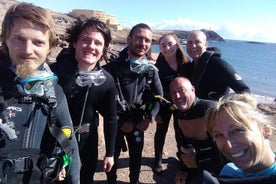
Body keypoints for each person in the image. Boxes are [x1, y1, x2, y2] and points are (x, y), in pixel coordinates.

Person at [0, 2, 80, 184]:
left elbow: (70, 146)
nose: (28, 50)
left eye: (38, 42)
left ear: (49, 47)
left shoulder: (53, 91)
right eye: (19, 39)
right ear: (5, 40)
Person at [50, 18, 118, 183]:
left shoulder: (106, 81)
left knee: (85, 178)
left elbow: (111, 118)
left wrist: (110, 153)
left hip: (87, 142)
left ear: (103, 49)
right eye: (85, 40)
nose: (91, 46)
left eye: (98, 43)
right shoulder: (54, 73)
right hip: (54, 140)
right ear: (74, 43)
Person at [103, 23, 163, 184]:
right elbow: (102, 101)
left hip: (138, 123)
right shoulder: (112, 67)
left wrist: (149, 118)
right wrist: (118, 121)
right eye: (139, 38)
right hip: (115, 122)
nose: (143, 43)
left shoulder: (150, 70)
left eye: (147, 40)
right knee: (112, 156)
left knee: (136, 158)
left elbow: (159, 96)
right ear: (129, 39)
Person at [203, 93, 276, 183]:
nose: (229, 145)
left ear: (265, 130)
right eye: (218, 135)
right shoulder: (229, 172)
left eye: (237, 130)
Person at [169, 77, 228, 183]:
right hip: (199, 164)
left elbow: (229, 154)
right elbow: (182, 145)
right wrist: (183, 169)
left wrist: (198, 161)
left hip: (224, 168)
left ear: (192, 90)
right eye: (173, 93)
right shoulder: (179, 114)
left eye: (181, 90)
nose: (177, 96)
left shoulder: (211, 111)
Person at [153, 33, 190, 174]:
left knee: (180, 133)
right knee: (161, 132)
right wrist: (154, 112)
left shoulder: (186, 65)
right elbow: (152, 91)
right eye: (163, 45)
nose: (167, 48)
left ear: (177, 45)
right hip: (164, 105)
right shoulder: (158, 67)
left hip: (181, 105)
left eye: (170, 44)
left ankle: (183, 159)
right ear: (160, 48)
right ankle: (157, 159)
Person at [183, 30, 250, 100]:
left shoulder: (219, 65)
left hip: (215, 110)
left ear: (206, 44)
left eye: (198, 42)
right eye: (190, 42)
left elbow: (245, 91)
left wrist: (230, 108)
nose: (193, 46)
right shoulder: (191, 66)